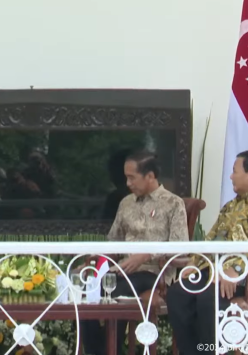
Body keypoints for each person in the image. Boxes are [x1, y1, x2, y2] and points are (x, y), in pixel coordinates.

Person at [166, 150, 248, 355]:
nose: (231, 176)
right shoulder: (230, 207)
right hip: (216, 273)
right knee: (178, 292)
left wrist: (236, 270)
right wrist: (193, 263)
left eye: (234, 171)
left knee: (207, 298)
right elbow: (210, 240)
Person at [81, 150, 189, 355]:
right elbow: (113, 242)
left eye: (132, 177)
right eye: (126, 177)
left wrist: (146, 255)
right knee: (88, 292)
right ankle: (99, 352)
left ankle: (111, 350)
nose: (128, 183)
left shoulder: (173, 203)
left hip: (155, 274)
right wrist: (96, 258)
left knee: (113, 289)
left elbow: (180, 249)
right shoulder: (126, 203)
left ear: (150, 176)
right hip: (123, 270)